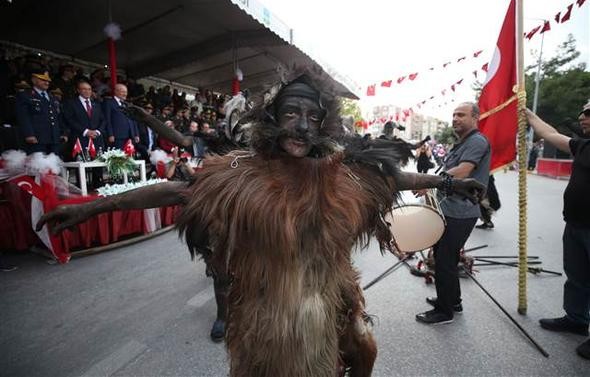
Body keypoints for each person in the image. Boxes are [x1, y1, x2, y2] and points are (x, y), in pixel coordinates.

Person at [37, 74, 484, 376]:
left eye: (312, 118)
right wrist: (88, 209)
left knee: (362, 351)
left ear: (324, 124)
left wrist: (446, 181)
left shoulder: (340, 172)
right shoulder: (239, 172)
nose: (302, 126)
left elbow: (392, 177)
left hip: (326, 308)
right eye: (292, 114)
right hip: (262, 319)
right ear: (273, 118)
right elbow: (175, 191)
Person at [414, 102, 491, 325]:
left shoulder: (477, 141)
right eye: (454, 115)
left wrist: (429, 182)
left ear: (475, 117)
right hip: (450, 209)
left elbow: (464, 170)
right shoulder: (463, 142)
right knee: (444, 256)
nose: (455, 119)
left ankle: (444, 311)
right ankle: (453, 301)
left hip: (460, 211)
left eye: (461, 115)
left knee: (444, 260)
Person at [526, 102, 590, 360]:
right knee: (577, 276)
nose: (581, 116)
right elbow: (552, 135)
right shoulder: (584, 146)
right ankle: (576, 319)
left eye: (588, 112)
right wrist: (530, 116)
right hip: (575, 224)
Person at [15, 70, 68, 155]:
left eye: (48, 81)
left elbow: (58, 117)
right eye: (43, 80)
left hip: (54, 138)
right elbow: (23, 117)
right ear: (33, 80)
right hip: (37, 138)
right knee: (38, 166)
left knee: (53, 165)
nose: (47, 82)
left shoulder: (52, 97)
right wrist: (29, 134)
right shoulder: (25, 95)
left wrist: (63, 132)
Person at [103, 83, 139, 149]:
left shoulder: (128, 104)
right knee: (118, 157)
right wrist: (110, 134)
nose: (125, 94)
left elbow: (133, 120)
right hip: (117, 136)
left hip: (130, 136)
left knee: (129, 157)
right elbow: (107, 119)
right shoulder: (109, 103)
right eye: (123, 92)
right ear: (116, 91)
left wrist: (136, 134)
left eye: (126, 92)